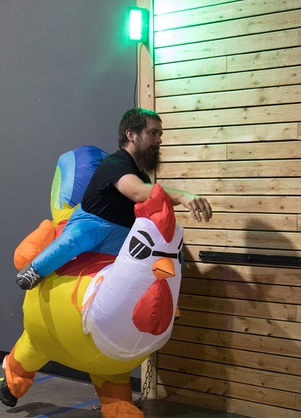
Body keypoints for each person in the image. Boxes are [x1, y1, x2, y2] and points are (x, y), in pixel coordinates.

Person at [16, 107, 213, 289]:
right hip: (93, 225)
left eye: (160, 135)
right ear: (131, 134)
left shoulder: (143, 176)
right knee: (77, 237)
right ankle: (34, 271)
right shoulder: (115, 163)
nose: (159, 140)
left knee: (168, 257)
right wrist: (183, 196)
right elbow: (137, 191)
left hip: (121, 235)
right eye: (153, 133)